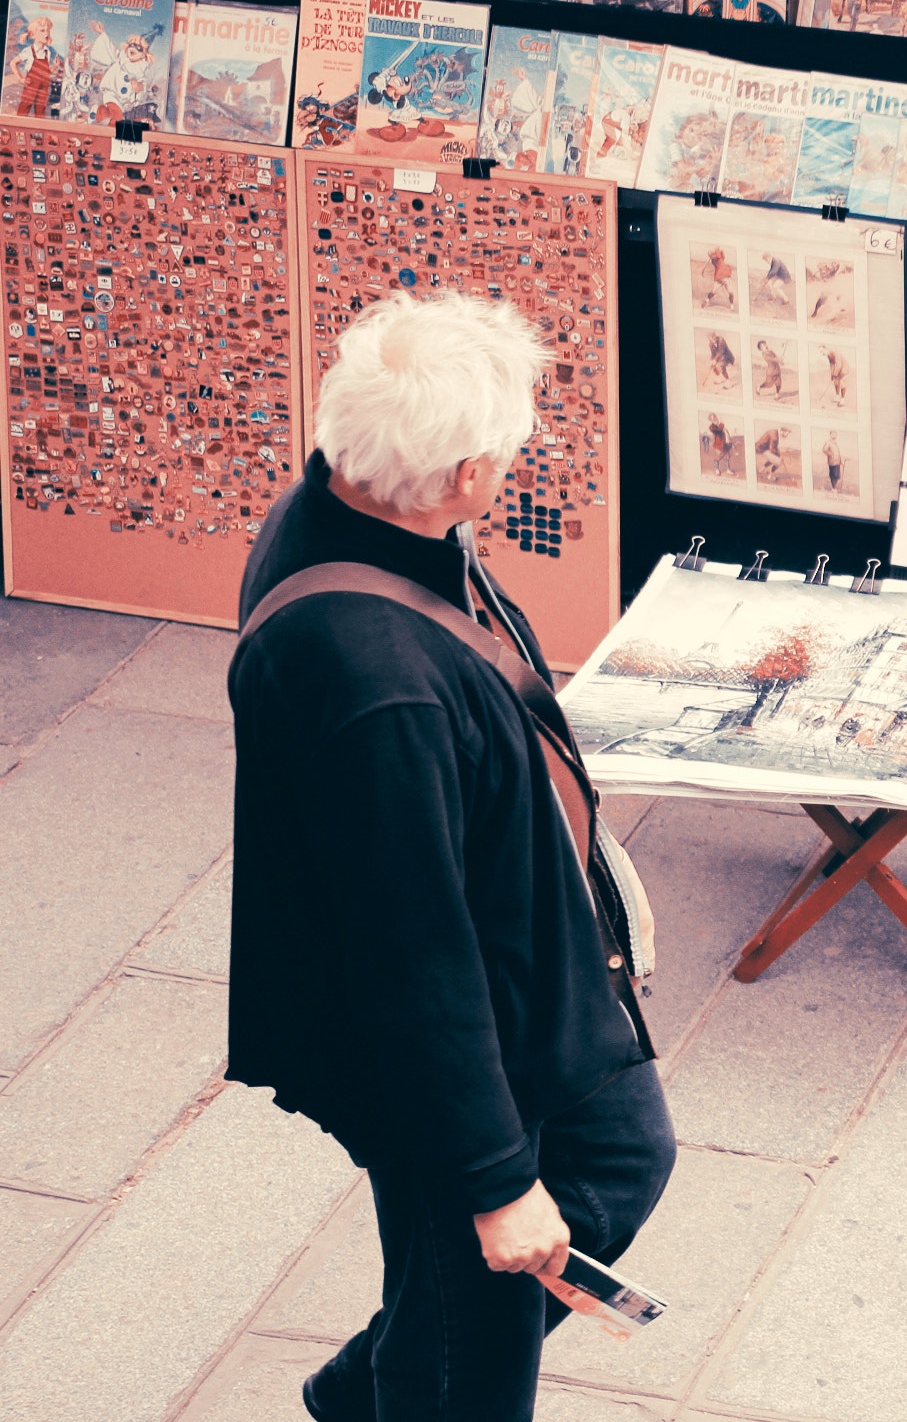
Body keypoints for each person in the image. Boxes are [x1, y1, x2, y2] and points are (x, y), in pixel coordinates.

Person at [227, 292, 671, 1422]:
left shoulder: (354, 499)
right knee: (474, 1344)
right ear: (465, 476)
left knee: (621, 1160)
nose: (513, 466)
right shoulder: (375, 688)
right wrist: (496, 1185)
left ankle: (367, 1385)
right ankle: (389, 1388)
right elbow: (410, 960)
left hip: (518, 972)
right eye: (507, 452)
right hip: (455, 1045)